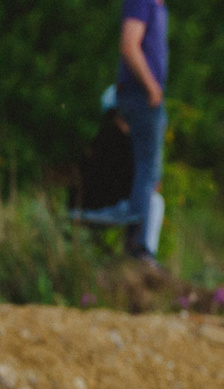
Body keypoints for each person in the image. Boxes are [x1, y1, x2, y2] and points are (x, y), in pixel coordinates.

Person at [75, 0, 168, 258]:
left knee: (149, 177)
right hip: (142, 94)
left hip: (141, 94)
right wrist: (152, 89)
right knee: (149, 177)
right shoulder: (143, 2)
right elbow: (129, 45)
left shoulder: (157, 6)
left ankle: (138, 250)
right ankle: (139, 250)